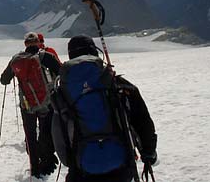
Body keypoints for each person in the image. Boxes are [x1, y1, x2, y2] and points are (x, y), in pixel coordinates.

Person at [59, 35, 158, 182]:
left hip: (82, 168)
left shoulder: (63, 91)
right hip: (121, 165)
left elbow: (55, 129)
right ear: (94, 52)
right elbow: (141, 119)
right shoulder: (116, 84)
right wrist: (148, 152)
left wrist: (69, 161)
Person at [1, 32, 61, 179]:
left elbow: (4, 80)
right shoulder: (45, 56)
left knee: (30, 135)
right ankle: (46, 162)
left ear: (25, 44)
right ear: (38, 43)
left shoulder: (16, 60)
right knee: (45, 132)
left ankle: (34, 168)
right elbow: (61, 71)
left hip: (26, 105)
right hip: (45, 103)